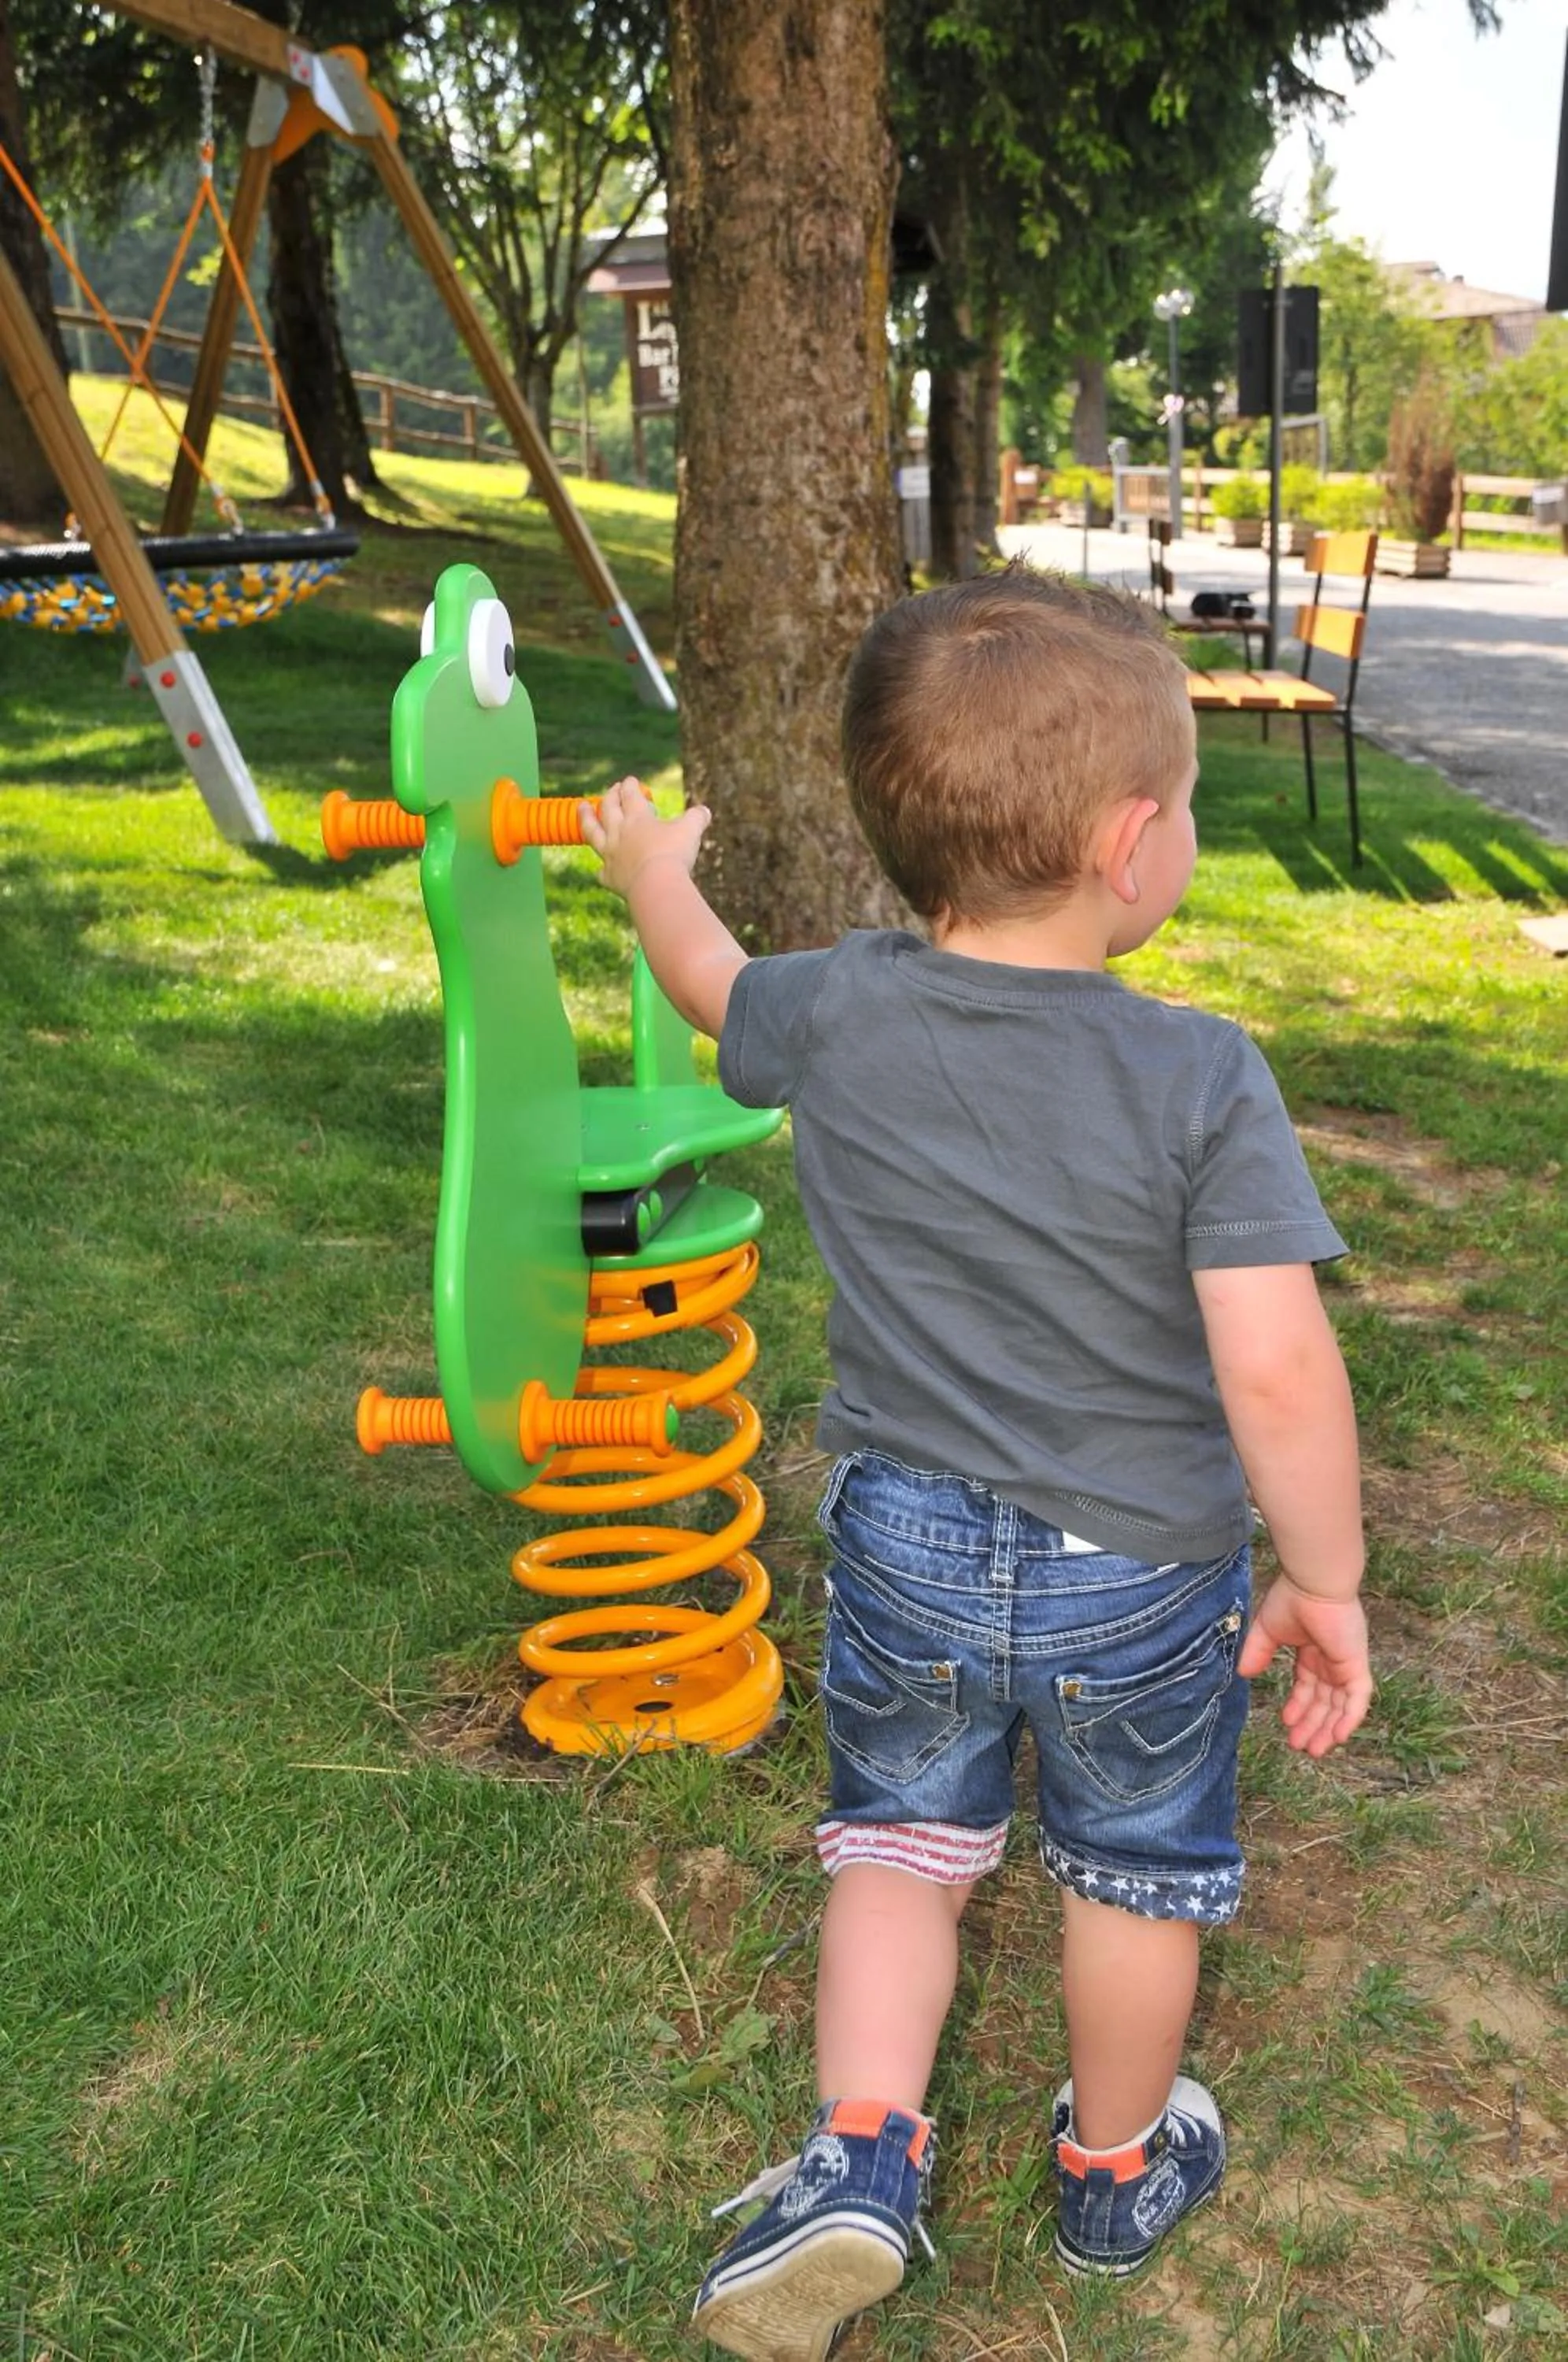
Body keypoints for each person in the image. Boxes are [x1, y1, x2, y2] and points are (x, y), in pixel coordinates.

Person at [579, 565, 1372, 2362]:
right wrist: (1322, 1580)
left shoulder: (841, 1009)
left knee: (901, 1848)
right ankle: (1110, 2166)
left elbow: (709, 989)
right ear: (1130, 842)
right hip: (1144, 1567)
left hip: (907, 1536)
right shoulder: (1201, 1078)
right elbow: (1274, 1369)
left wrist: (652, 877)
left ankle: (859, 2154)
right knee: (1130, 1869)